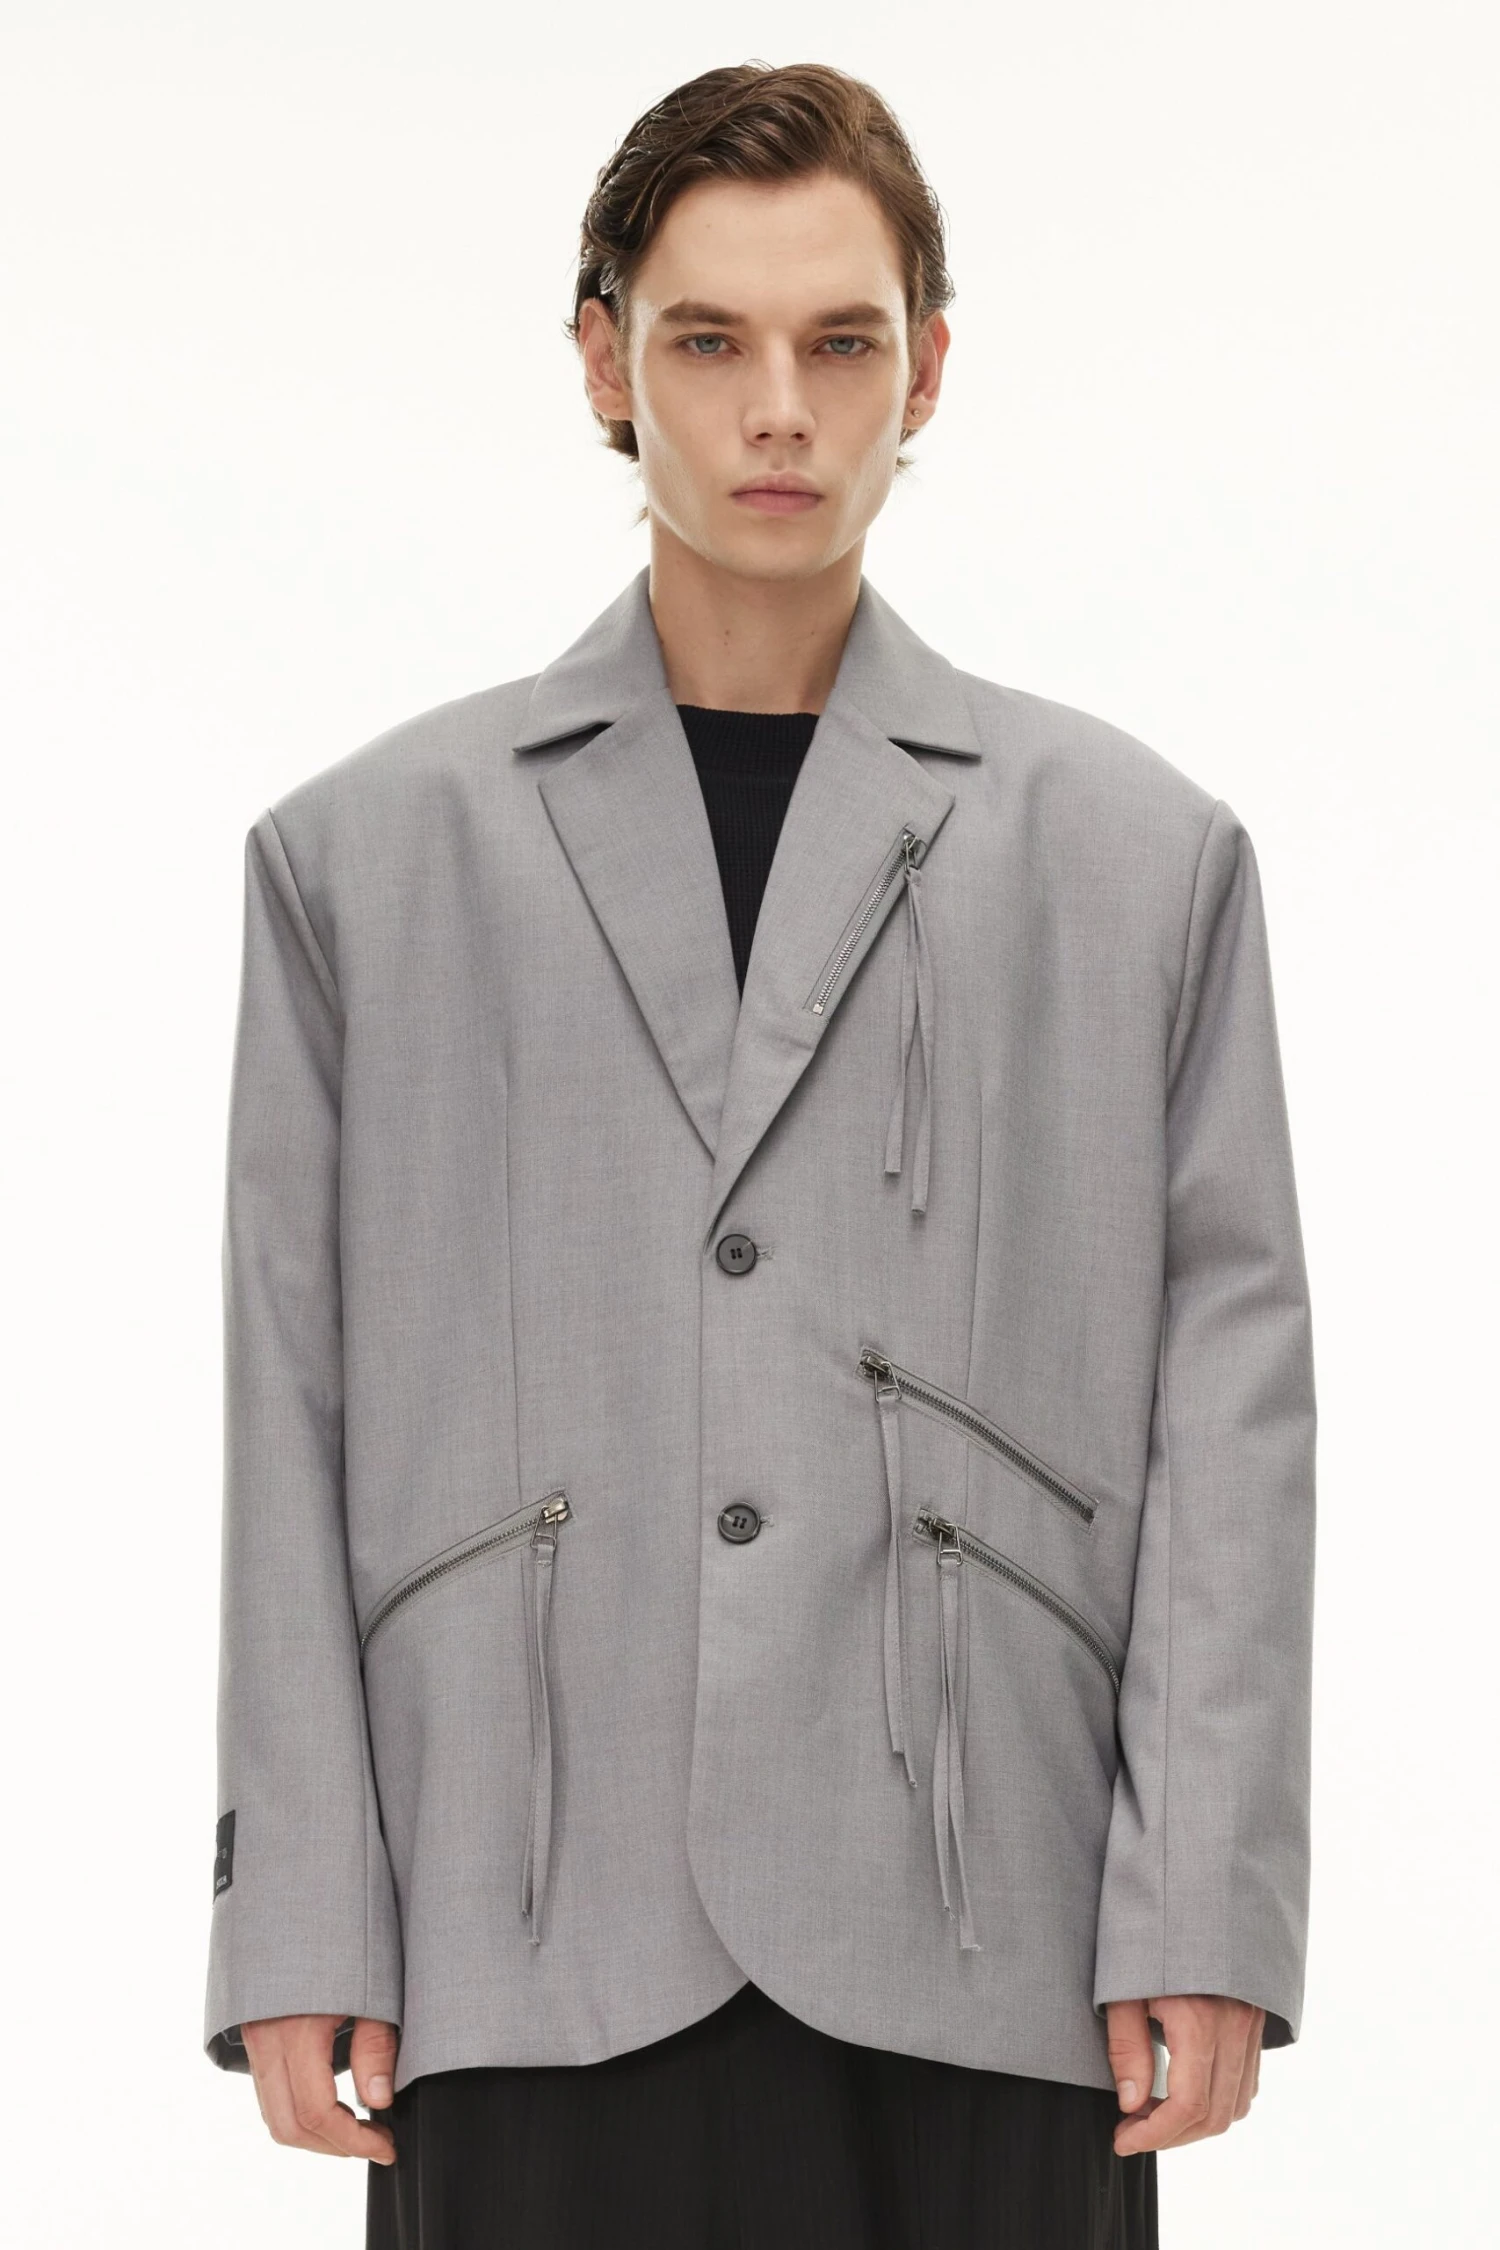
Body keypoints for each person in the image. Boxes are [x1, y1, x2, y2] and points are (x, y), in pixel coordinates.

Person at [203, 60, 1316, 2250]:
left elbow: (1233, 1396)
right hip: (530, 1919)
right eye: (709, 339)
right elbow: (287, 1394)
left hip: (988, 1919)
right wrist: (301, 1903)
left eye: (842, 342)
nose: (779, 412)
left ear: (931, 372)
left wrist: (1204, 1889)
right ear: (605, 361)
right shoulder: (362, 861)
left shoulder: (1139, 858)